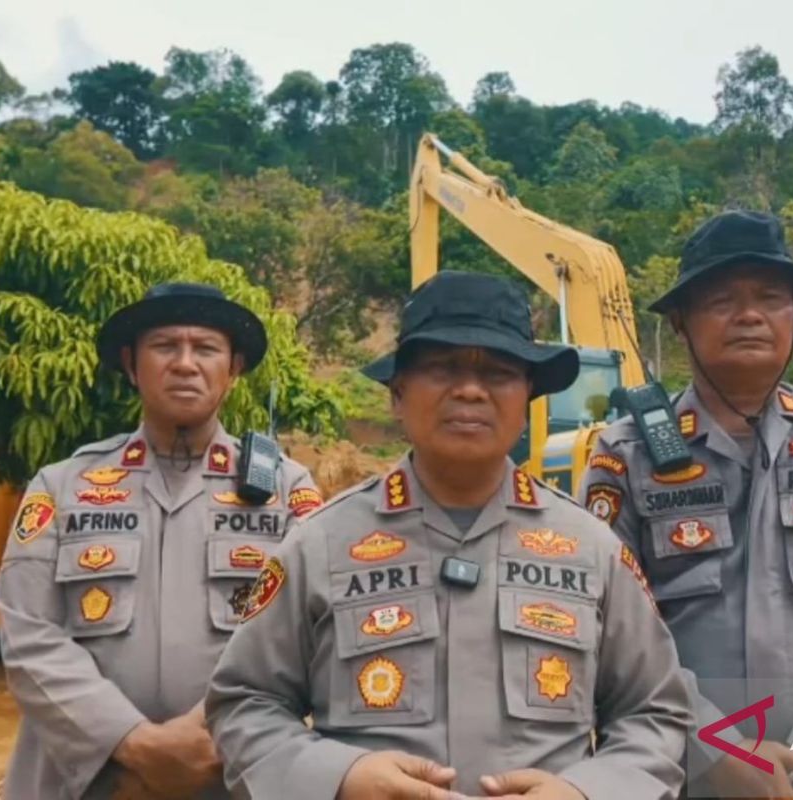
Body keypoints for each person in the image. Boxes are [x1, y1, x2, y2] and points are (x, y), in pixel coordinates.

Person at [206, 271, 692, 800]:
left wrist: (585, 792)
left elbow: (655, 712)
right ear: (397, 394)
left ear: (528, 396)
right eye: (442, 368)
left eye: (500, 372)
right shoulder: (318, 544)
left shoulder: (593, 549)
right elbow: (244, 702)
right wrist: (339, 779)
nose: (469, 389)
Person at [578, 211, 793, 799]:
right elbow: (612, 625)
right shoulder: (625, 455)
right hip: (682, 779)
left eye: (770, 296)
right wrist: (717, 752)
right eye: (720, 299)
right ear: (680, 322)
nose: (749, 315)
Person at [0, 282, 323, 799]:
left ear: (233, 368)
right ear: (131, 364)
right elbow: (28, 634)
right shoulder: (61, 486)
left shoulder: (287, 490)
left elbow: (308, 634)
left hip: (228, 773)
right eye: (165, 346)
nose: (185, 363)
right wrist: (134, 745)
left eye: (206, 348)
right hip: (91, 781)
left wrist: (203, 741)